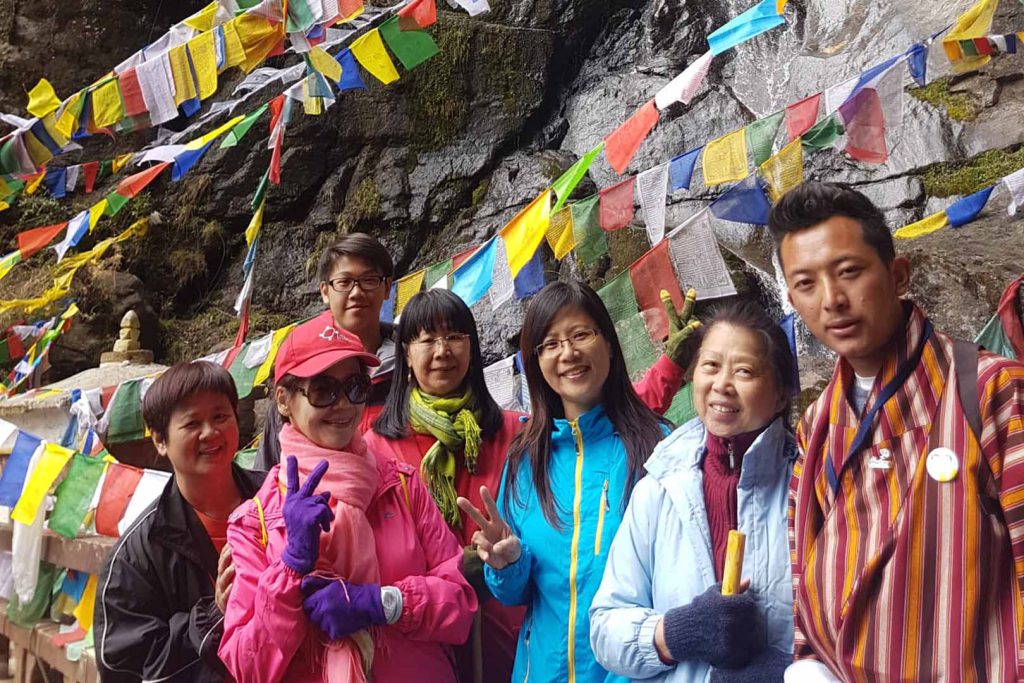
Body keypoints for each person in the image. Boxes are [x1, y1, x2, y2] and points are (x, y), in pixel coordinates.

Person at [771, 181, 1024, 680]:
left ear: (898, 274)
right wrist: (806, 660)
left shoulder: (991, 389)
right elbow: (805, 566)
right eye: (806, 284)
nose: (832, 300)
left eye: (849, 272)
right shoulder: (818, 422)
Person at [218, 319, 477, 682]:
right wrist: (290, 567)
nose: (343, 404)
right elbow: (248, 666)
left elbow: (460, 604)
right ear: (283, 400)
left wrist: (383, 603)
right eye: (323, 390)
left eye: (354, 387)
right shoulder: (256, 521)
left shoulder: (401, 485)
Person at [458, 281, 684, 683]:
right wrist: (507, 563)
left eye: (581, 334)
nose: (568, 353)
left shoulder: (658, 446)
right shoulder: (526, 458)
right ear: (535, 362)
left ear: (609, 344)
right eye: (550, 344)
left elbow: (679, 576)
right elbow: (517, 595)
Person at [589, 300, 799, 683]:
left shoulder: (809, 485)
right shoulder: (659, 488)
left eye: (745, 371)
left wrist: (788, 674)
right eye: (711, 366)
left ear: (782, 394)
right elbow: (604, 628)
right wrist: (676, 633)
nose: (722, 384)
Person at [365, 288, 527, 683]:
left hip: (509, 628)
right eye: (426, 339)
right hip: (422, 636)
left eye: (454, 336)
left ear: (471, 348)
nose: (442, 351)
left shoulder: (515, 432)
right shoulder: (376, 447)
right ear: (405, 353)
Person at [96, 361, 266, 683]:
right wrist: (216, 616)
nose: (210, 433)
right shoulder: (137, 555)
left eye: (220, 416)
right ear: (161, 440)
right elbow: (128, 668)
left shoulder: (277, 499)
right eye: (192, 423)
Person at [254, 233, 396, 470]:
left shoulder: (412, 363)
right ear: (324, 291)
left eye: (369, 280)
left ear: (387, 287)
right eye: (344, 282)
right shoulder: (298, 368)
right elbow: (266, 472)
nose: (357, 292)